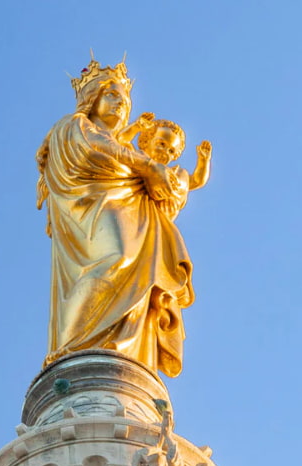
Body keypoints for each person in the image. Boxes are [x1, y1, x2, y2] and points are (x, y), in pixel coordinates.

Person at [36, 59, 198, 378]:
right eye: (111, 94)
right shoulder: (73, 126)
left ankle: (123, 347)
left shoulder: (122, 147)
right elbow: (96, 148)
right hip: (92, 212)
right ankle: (73, 346)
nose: (120, 102)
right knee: (116, 257)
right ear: (92, 97)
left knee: (138, 274)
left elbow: (162, 186)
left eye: (123, 98)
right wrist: (147, 166)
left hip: (131, 214)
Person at [134, 118, 212, 221]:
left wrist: (204, 161)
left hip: (158, 218)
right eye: (161, 144)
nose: (165, 152)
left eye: (171, 151)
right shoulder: (134, 159)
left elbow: (196, 181)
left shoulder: (174, 176)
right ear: (146, 141)